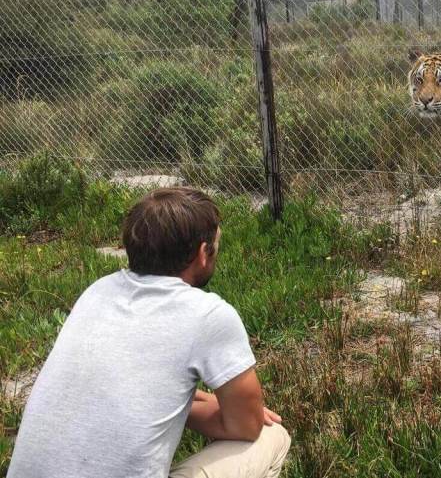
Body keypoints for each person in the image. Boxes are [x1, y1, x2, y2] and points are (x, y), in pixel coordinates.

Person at [8, 187, 290, 478]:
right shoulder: (209, 315)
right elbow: (246, 426)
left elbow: (126, 389)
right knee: (272, 437)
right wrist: (233, 411)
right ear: (203, 254)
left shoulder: (97, 292)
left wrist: (193, 405)